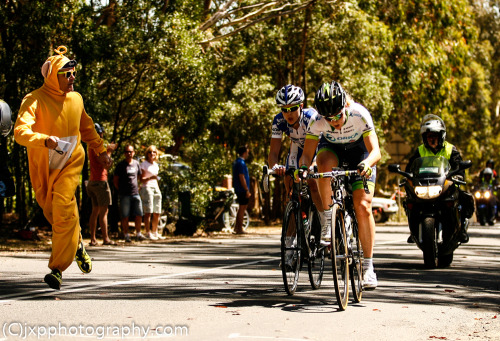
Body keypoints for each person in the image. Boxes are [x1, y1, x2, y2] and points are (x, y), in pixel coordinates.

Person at [13, 46, 112, 290]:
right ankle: (76, 243)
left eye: (73, 73)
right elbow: (19, 132)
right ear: (52, 77)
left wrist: (101, 151)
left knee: (62, 205)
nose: (72, 78)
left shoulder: (76, 99)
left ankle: (57, 269)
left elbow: (87, 128)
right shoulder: (33, 99)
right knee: (54, 213)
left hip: (71, 160)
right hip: (43, 166)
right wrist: (44, 140)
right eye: (67, 74)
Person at [298, 81, 381, 290]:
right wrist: (303, 168)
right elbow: (307, 155)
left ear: (345, 106)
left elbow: (376, 152)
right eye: (328, 118)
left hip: (359, 152)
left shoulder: (359, 114)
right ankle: (328, 219)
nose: (334, 122)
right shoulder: (317, 122)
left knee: (363, 206)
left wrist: (367, 164)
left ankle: (368, 268)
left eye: (337, 116)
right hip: (332, 149)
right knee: (322, 166)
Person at [406, 114, 472, 243]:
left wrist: (458, 175)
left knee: (466, 198)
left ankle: (462, 229)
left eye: (434, 136)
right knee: (410, 201)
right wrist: (407, 175)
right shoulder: (420, 150)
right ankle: (414, 230)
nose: (432, 139)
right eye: (429, 136)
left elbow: (458, 165)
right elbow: (410, 167)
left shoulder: (450, 149)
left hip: (445, 185)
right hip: (424, 186)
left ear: (441, 136)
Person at [268, 84, 323, 210]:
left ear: (301, 106)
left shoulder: (311, 117)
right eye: (284, 110)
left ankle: (324, 220)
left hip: (318, 147)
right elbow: (273, 153)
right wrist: (275, 167)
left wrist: (313, 164)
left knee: (312, 183)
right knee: (289, 182)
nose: (289, 114)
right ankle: (292, 221)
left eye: (293, 108)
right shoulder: (278, 121)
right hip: (298, 147)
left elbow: (320, 145)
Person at [87, 123, 117, 246]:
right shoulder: (97, 147)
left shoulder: (90, 146)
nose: (101, 135)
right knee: (104, 211)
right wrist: (109, 151)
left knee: (95, 211)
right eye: (99, 133)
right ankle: (105, 239)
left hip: (92, 182)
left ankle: (93, 239)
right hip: (100, 182)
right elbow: (106, 164)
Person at [113, 144, 145, 242]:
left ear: (133, 153)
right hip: (124, 194)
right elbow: (115, 180)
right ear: (124, 153)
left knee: (139, 214)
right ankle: (126, 234)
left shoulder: (136, 164)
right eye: (127, 152)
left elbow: (139, 177)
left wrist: (138, 187)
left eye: (130, 151)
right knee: (125, 215)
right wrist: (120, 190)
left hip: (135, 193)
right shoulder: (120, 165)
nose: (129, 154)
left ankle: (138, 234)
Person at [140, 145, 165, 240]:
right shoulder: (144, 164)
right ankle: (148, 232)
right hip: (147, 187)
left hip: (156, 187)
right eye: (150, 152)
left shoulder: (156, 165)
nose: (152, 154)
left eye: (154, 152)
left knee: (157, 211)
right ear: (147, 154)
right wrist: (150, 178)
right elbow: (141, 179)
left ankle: (155, 232)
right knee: (148, 211)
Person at [232, 145, 251, 234]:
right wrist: (246, 189)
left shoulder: (237, 162)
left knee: (242, 208)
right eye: (247, 152)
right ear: (244, 153)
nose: (248, 154)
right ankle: (239, 228)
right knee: (242, 208)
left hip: (239, 188)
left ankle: (237, 227)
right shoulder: (241, 163)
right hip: (242, 189)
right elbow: (241, 176)